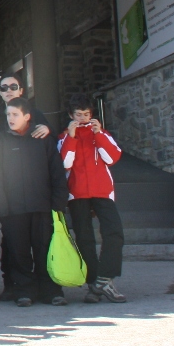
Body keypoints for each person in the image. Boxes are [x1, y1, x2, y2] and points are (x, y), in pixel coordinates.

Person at [0, 98, 69, 307]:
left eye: (15, 114)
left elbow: (57, 173)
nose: (11, 119)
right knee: (18, 252)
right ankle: (24, 290)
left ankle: (51, 290)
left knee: (45, 249)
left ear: (27, 117)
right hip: (13, 210)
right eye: (8, 115)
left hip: (43, 207)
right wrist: (0, 206)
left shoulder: (43, 139)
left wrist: (58, 202)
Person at [58, 96, 127, 304]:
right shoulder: (64, 137)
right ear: (71, 116)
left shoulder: (102, 133)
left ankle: (104, 279)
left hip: (102, 191)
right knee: (84, 239)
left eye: (86, 114)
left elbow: (112, 158)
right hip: (77, 193)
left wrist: (98, 134)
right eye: (78, 115)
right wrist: (71, 137)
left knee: (114, 232)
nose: (82, 118)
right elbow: (65, 164)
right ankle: (94, 284)